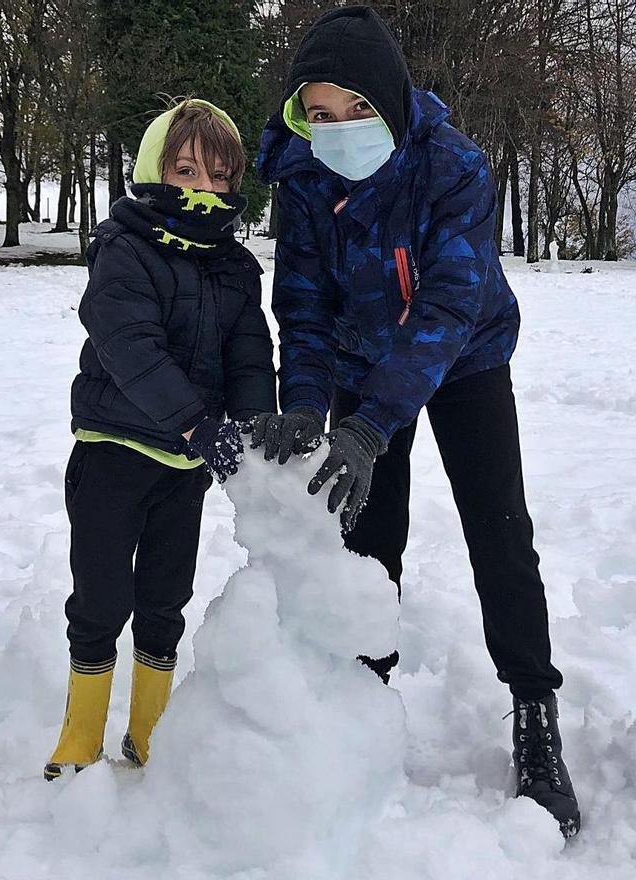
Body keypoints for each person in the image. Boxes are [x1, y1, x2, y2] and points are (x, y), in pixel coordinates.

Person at [247, 6, 580, 837]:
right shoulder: (304, 177)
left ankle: (535, 709)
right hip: (362, 361)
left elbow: (447, 305)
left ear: (391, 103)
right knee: (368, 533)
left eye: (356, 109)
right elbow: (307, 307)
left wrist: (371, 429)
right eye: (318, 114)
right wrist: (307, 402)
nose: (338, 129)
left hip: (463, 361)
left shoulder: (454, 166)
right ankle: (365, 695)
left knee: (499, 533)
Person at [44, 99, 276, 780]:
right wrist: (196, 422)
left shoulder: (234, 268)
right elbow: (129, 345)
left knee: (164, 598)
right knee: (101, 599)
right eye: (185, 171)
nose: (202, 191)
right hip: (114, 452)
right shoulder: (124, 250)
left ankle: (148, 731)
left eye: (218, 178)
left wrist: (256, 421)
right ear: (154, 172)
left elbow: (249, 351)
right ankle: (81, 733)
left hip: (183, 468)